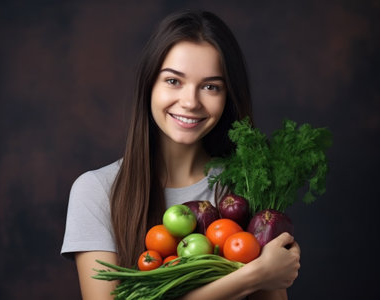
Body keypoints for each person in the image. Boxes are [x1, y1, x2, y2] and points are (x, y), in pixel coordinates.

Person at [61, 9, 300, 300]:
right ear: (149, 85)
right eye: (173, 81)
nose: (190, 102)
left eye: (210, 87)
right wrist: (254, 275)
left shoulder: (245, 189)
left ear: (228, 97)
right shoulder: (97, 191)